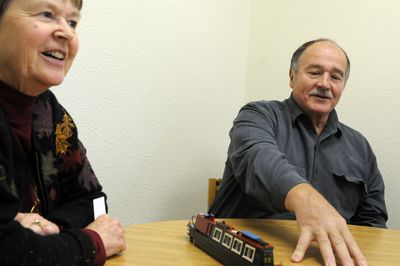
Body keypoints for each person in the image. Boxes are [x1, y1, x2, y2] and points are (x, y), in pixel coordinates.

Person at [209, 38, 387, 265]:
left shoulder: (360, 146)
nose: (325, 84)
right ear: (292, 77)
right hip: (243, 256)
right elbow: (257, 158)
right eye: (314, 72)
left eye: (335, 77)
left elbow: (373, 223)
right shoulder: (258, 115)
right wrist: (307, 199)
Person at [0, 0, 125, 265]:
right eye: (47, 15)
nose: (66, 33)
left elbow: (94, 202)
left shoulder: (50, 112)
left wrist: (41, 228)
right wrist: (93, 243)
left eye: (72, 22)